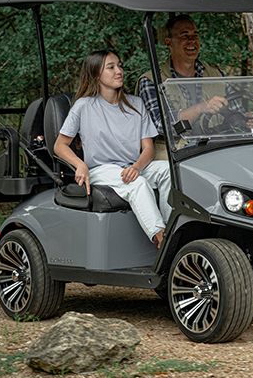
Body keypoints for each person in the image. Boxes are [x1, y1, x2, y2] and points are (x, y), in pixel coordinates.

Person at [54, 50, 170, 248]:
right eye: (111, 67)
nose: (119, 71)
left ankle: (171, 228)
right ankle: (162, 238)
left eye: (119, 65)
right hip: (101, 169)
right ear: (96, 75)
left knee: (168, 171)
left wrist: (137, 167)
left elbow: (148, 149)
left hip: (132, 166)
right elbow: (60, 145)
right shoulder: (84, 106)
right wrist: (80, 165)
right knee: (137, 184)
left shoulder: (136, 104)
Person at [135, 14, 253, 150]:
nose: (192, 40)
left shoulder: (216, 74)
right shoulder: (151, 81)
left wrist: (245, 119)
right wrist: (200, 108)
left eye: (195, 35)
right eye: (185, 36)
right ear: (169, 42)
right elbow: (162, 126)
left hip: (214, 150)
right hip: (173, 158)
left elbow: (235, 111)